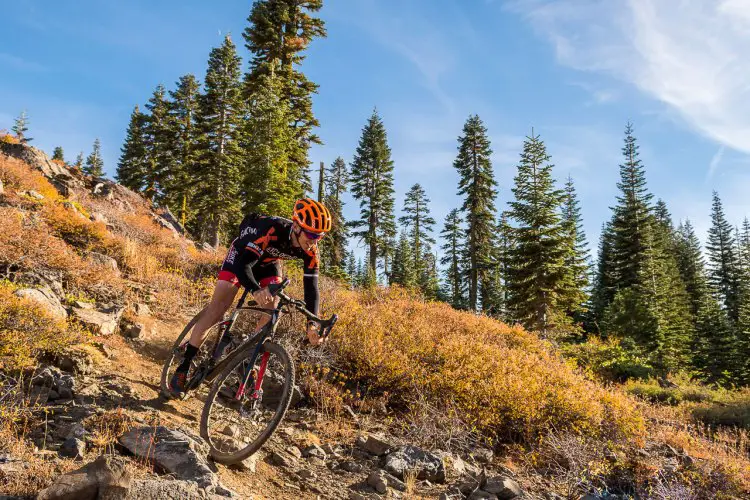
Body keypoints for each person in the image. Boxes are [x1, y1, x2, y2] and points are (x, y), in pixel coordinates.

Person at [170, 198, 332, 396]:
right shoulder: (271, 229)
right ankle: (184, 367)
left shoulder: (312, 250)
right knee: (218, 308)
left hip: (268, 263)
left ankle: (248, 359)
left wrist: (312, 324)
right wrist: (255, 290)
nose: (314, 241)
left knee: (273, 307)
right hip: (241, 256)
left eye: (319, 237)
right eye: (311, 234)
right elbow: (244, 266)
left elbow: (311, 287)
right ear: (297, 226)